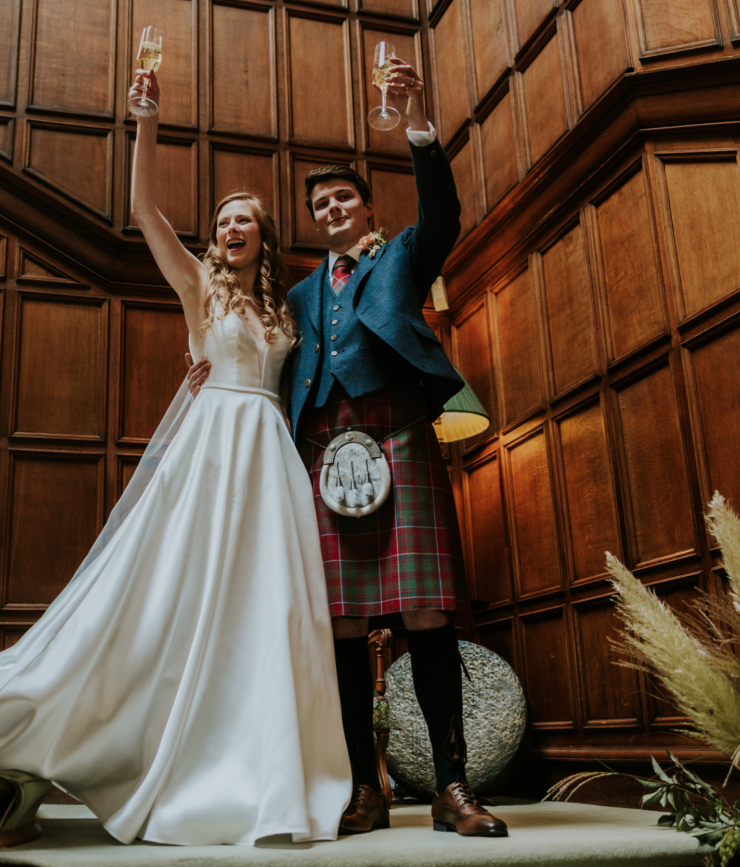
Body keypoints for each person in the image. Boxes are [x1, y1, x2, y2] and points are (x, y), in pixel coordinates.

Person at [0, 69, 350, 846]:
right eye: (222, 219)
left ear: (265, 236)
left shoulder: (289, 307)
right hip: (214, 451)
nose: (230, 228)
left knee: (271, 612)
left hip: (272, 459)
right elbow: (142, 211)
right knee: (168, 600)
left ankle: (271, 769)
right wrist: (145, 122)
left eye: (244, 218)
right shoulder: (198, 290)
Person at [187, 58, 508, 839]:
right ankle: (366, 789)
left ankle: (452, 786)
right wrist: (205, 369)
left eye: (343, 198)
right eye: (321, 204)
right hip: (322, 455)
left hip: (398, 435)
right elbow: (257, 348)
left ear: (366, 207)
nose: (331, 209)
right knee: (338, 623)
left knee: (428, 614)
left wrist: (418, 125)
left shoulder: (402, 252)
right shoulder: (295, 297)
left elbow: (443, 213)